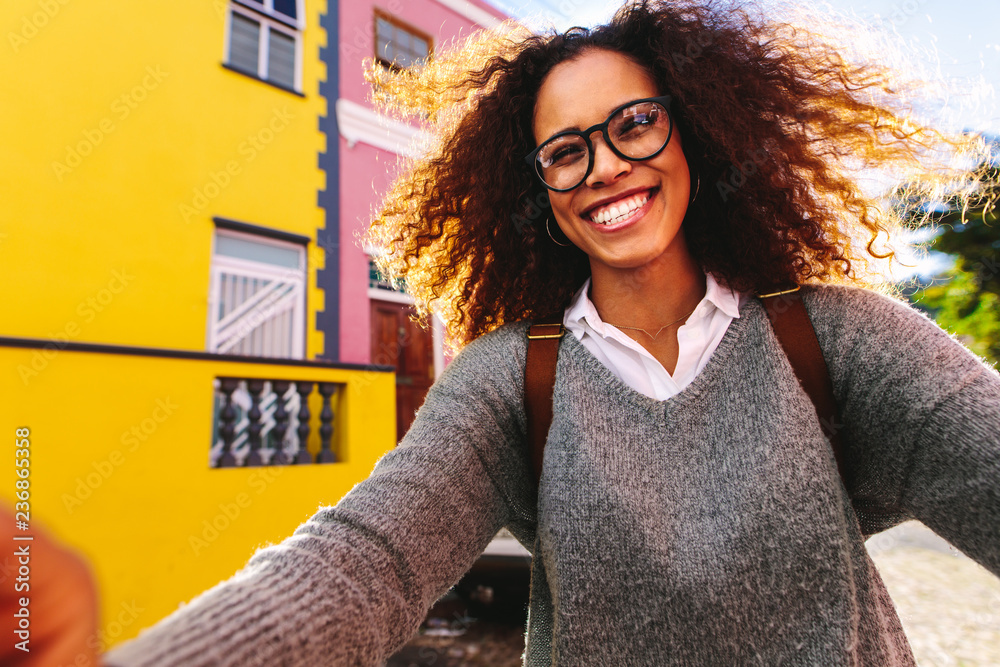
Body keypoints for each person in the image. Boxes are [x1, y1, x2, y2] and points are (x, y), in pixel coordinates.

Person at [106, 1, 999, 665]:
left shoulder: (838, 339)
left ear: (698, 131)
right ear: (539, 190)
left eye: (635, 124)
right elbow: (361, 560)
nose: (605, 165)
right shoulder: (512, 380)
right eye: (566, 150)